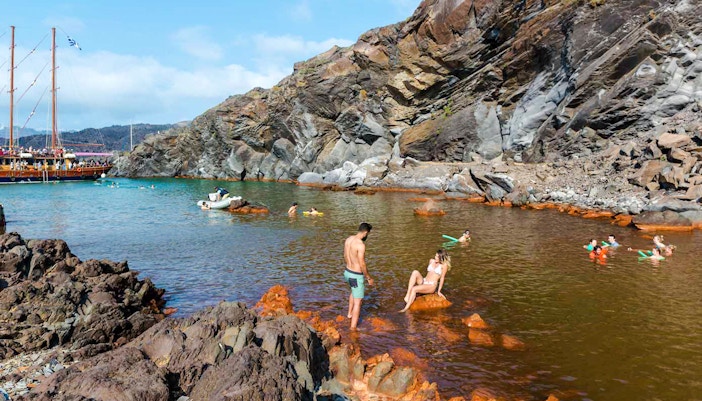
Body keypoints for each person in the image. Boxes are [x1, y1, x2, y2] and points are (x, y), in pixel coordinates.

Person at [343, 222, 374, 330]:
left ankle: (349, 314)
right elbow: (362, 263)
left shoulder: (348, 239)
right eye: (368, 234)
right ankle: (353, 328)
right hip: (356, 275)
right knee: (358, 301)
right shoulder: (360, 245)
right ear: (365, 232)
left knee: (353, 291)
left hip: (347, 272)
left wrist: (350, 267)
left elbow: (345, 255)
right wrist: (368, 277)